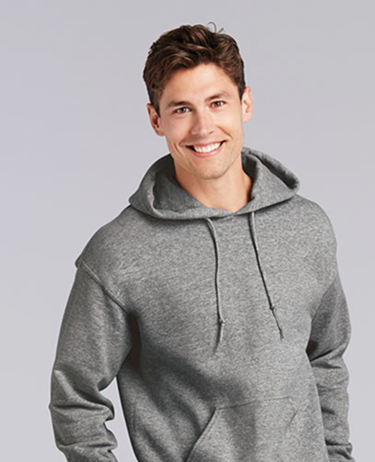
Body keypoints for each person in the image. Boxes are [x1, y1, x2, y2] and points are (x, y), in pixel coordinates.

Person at [49, 24, 355, 462]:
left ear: (245, 103)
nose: (203, 127)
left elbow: (326, 358)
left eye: (217, 102)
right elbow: (74, 395)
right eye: (182, 109)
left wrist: (338, 456)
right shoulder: (120, 252)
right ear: (156, 119)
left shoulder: (307, 226)